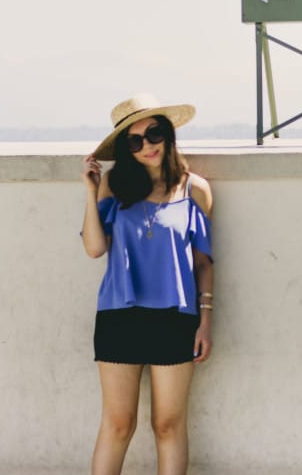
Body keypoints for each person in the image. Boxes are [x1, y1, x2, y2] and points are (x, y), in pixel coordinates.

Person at [80, 93, 214, 475]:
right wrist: (90, 192)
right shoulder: (113, 187)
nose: (148, 146)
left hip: (175, 317)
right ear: (126, 150)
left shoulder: (195, 190)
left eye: (154, 133)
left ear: (168, 134)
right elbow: (93, 249)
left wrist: (205, 320)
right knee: (118, 424)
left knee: (168, 424)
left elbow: (203, 262)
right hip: (119, 315)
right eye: (135, 141)